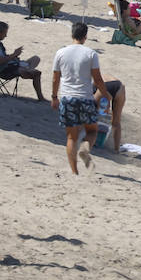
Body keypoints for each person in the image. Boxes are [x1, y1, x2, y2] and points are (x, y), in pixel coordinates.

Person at [50, 21, 111, 175]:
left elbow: (55, 78)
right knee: (92, 131)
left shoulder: (60, 53)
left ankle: (74, 171)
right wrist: (106, 95)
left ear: (72, 35)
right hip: (85, 98)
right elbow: (97, 79)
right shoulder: (91, 54)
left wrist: (54, 97)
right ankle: (85, 148)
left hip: (67, 98)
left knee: (71, 137)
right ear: (85, 37)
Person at [0, 20, 45, 101]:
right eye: (5, 33)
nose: (6, 35)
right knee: (37, 73)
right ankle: (40, 97)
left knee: (36, 58)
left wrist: (13, 57)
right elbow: (0, 61)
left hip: (9, 65)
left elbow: (2, 58)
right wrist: (14, 54)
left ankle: (28, 69)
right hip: (4, 70)